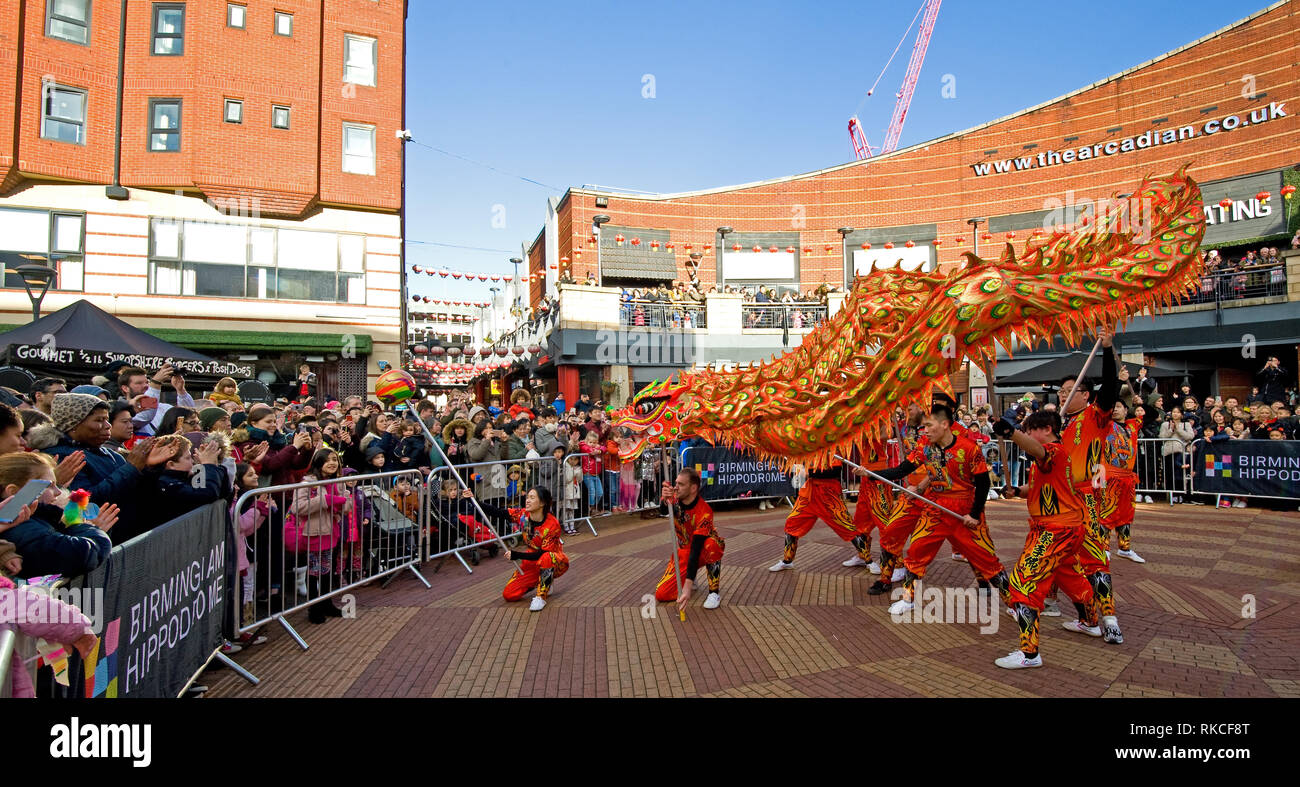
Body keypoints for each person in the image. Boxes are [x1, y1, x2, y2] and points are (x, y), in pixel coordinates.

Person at [871, 404, 1007, 616]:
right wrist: (870, 473)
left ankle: (1016, 604)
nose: (925, 430)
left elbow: (983, 484)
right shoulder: (925, 447)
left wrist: (974, 513)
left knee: (988, 560)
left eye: (929, 425)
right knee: (916, 551)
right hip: (935, 509)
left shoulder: (969, 449)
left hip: (965, 510)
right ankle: (908, 599)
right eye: (924, 426)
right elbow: (903, 469)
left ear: (944, 424)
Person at [992, 410, 1099, 669]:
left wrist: (1011, 433)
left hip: (1054, 531)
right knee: (1070, 577)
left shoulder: (1054, 451)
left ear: (1047, 429)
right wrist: (1018, 491)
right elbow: (1042, 486)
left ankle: (1029, 654)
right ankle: (1091, 622)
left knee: (1023, 582)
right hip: (1065, 528)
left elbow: (1037, 449)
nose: (1028, 435)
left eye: (1031, 430)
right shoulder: (1052, 460)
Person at [41, 393, 175, 543]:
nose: (108, 426)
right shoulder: (61, 457)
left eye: (107, 419)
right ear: (73, 424)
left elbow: (136, 493)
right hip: (101, 541)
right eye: (99, 420)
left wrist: (150, 467)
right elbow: (87, 504)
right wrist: (131, 467)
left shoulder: (111, 454)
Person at [0, 452, 116, 579]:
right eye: (49, 486)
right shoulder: (21, 526)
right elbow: (83, 553)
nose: (58, 492)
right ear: (14, 491)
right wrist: (78, 525)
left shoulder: (35, 517)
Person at [768, 458, 874, 573]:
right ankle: (787, 561)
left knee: (847, 526)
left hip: (829, 495)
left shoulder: (832, 447)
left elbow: (835, 471)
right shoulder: (810, 449)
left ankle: (868, 561)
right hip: (809, 494)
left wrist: (809, 472)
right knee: (792, 523)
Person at [288, 449, 350, 624]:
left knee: (327, 570)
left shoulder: (338, 482)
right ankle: (314, 608)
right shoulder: (308, 483)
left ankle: (326, 603)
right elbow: (297, 507)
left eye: (334, 460)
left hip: (332, 531)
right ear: (318, 462)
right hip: (314, 533)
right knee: (314, 571)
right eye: (327, 460)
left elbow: (346, 504)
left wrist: (343, 503)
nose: (332, 463)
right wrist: (325, 500)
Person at [655, 467, 724, 611]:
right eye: (676, 483)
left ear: (693, 488)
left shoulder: (704, 512)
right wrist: (664, 499)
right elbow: (663, 510)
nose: (676, 487)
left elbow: (696, 549)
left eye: (680, 484)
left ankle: (714, 593)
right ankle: (691, 577)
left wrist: (686, 585)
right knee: (662, 593)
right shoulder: (674, 497)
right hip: (684, 552)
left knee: (712, 545)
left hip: (701, 551)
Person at [139, 434, 229, 533]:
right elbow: (206, 495)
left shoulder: (183, 477)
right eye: (187, 458)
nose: (192, 462)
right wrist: (208, 466)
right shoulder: (165, 484)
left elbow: (224, 492)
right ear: (171, 465)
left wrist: (212, 465)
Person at [500, 486, 569, 611]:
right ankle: (541, 581)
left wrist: (516, 555)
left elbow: (542, 553)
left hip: (553, 560)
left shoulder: (552, 524)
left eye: (532, 498)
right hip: (531, 561)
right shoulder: (523, 516)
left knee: (546, 557)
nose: (527, 500)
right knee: (509, 594)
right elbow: (499, 513)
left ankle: (541, 597)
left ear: (542, 503)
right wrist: (473, 500)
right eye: (527, 497)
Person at [843, 439, 891, 574]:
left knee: (884, 523)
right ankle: (862, 555)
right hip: (865, 478)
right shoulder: (859, 424)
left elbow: (886, 433)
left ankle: (895, 564)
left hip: (878, 478)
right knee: (860, 522)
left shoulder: (880, 421)